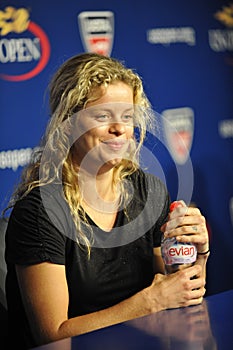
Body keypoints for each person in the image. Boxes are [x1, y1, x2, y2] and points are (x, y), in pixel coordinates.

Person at [4, 53, 209, 349]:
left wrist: (197, 254)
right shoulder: (41, 212)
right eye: (103, 116)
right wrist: (149, 302)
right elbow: (53, 337)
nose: (120, 128)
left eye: (127, 116)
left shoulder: (146, 190)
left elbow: (177, 294)